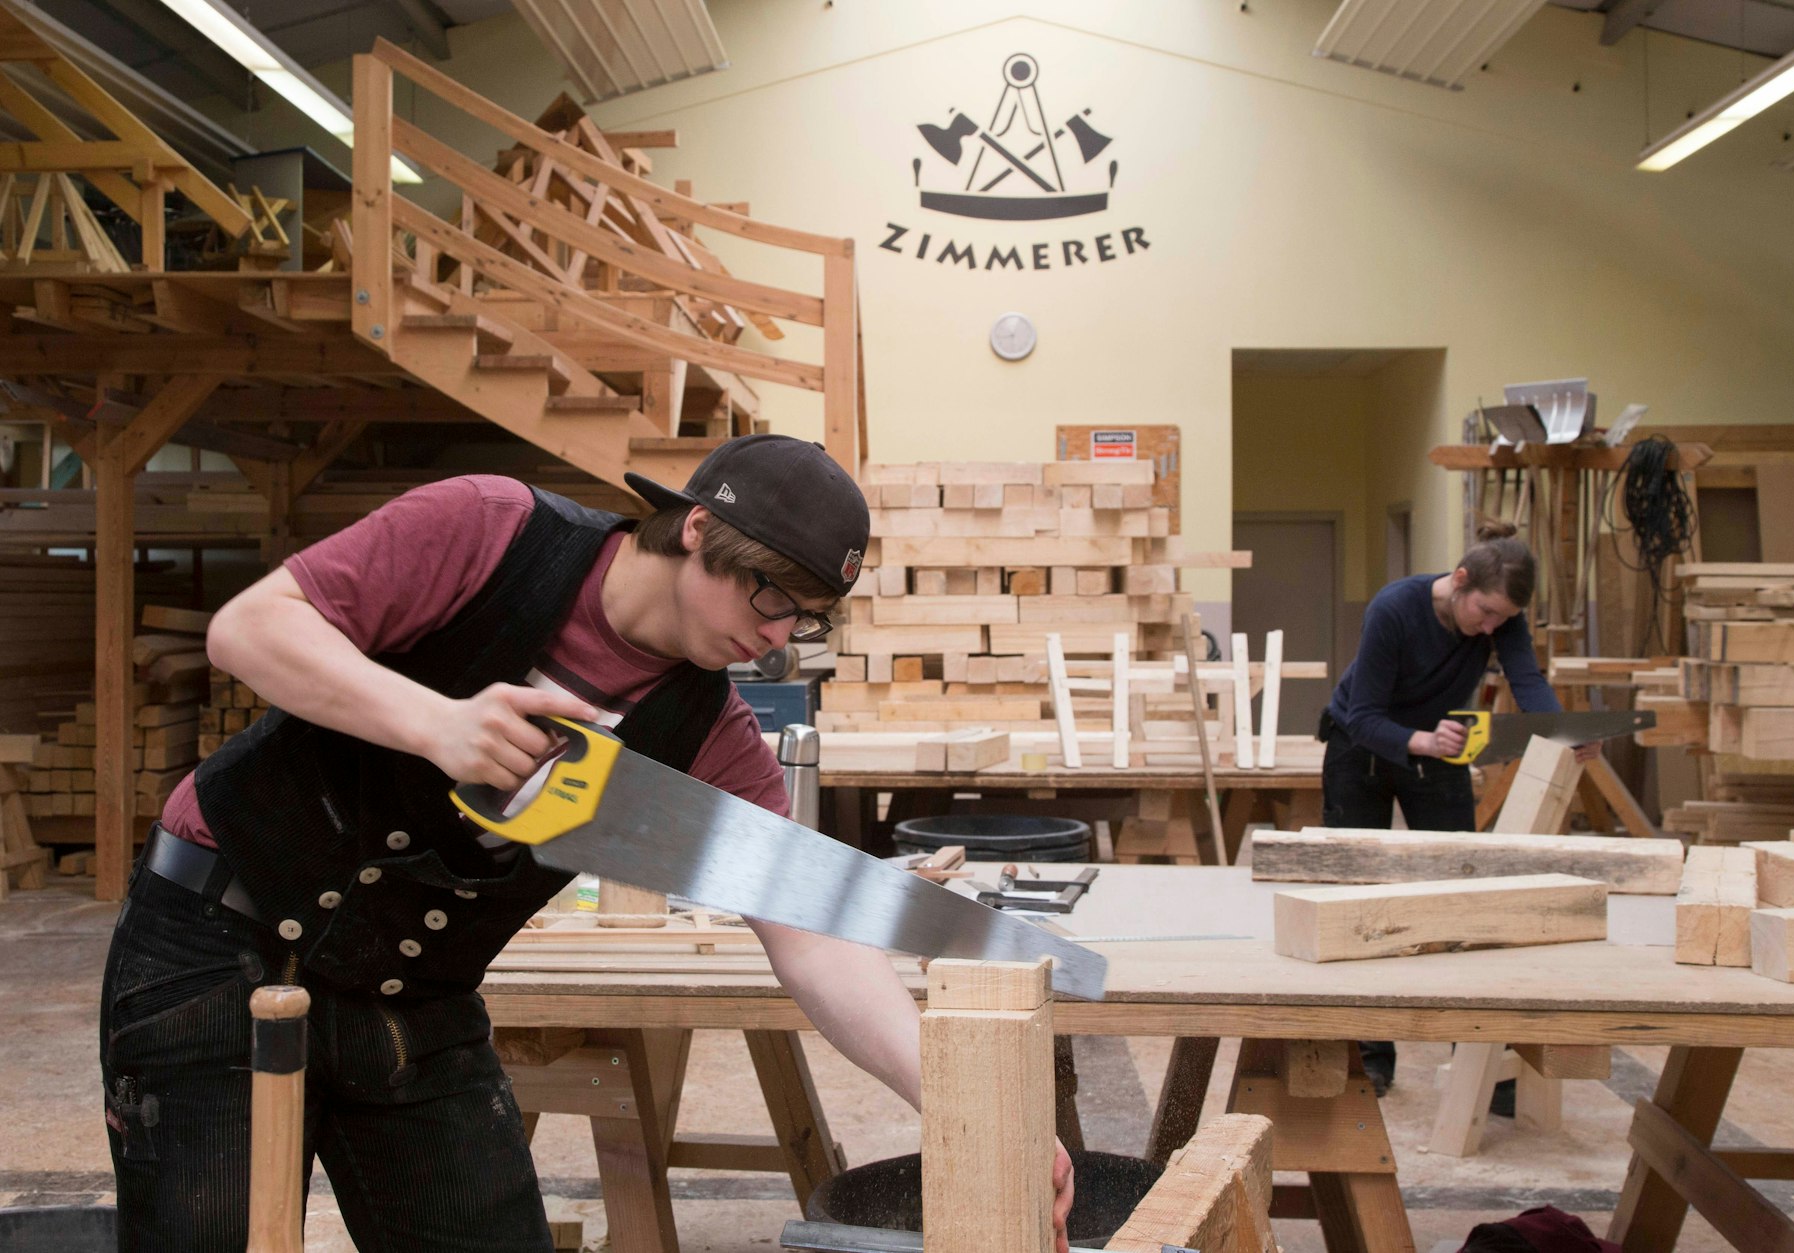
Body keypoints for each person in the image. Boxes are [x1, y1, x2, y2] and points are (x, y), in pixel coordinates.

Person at [98, 435, 1075, 1253]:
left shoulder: (711, 739)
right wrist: (436, 724)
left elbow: (812, 938)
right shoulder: (488, 529)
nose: (778, 637)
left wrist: (964, 1104)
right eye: (772, 597)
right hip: (215, 938)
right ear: (697, 530)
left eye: (805, 618)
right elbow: (248, 630)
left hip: (411, 991)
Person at [1316, 519, 1593, 1103]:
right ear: (1460, 580)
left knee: (1462, 894)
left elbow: (1527, 681)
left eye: (1502, 620)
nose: (1490, 629)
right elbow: (1363, 716)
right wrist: (1420, 740)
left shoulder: (1502, 618)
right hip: (1361, 745)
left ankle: (1478, 1069)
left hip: (1441, 743)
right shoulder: (1394, 609)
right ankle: (1369, 1060)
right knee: (1357, 898)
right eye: (1485, 613)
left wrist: (1566, 732)